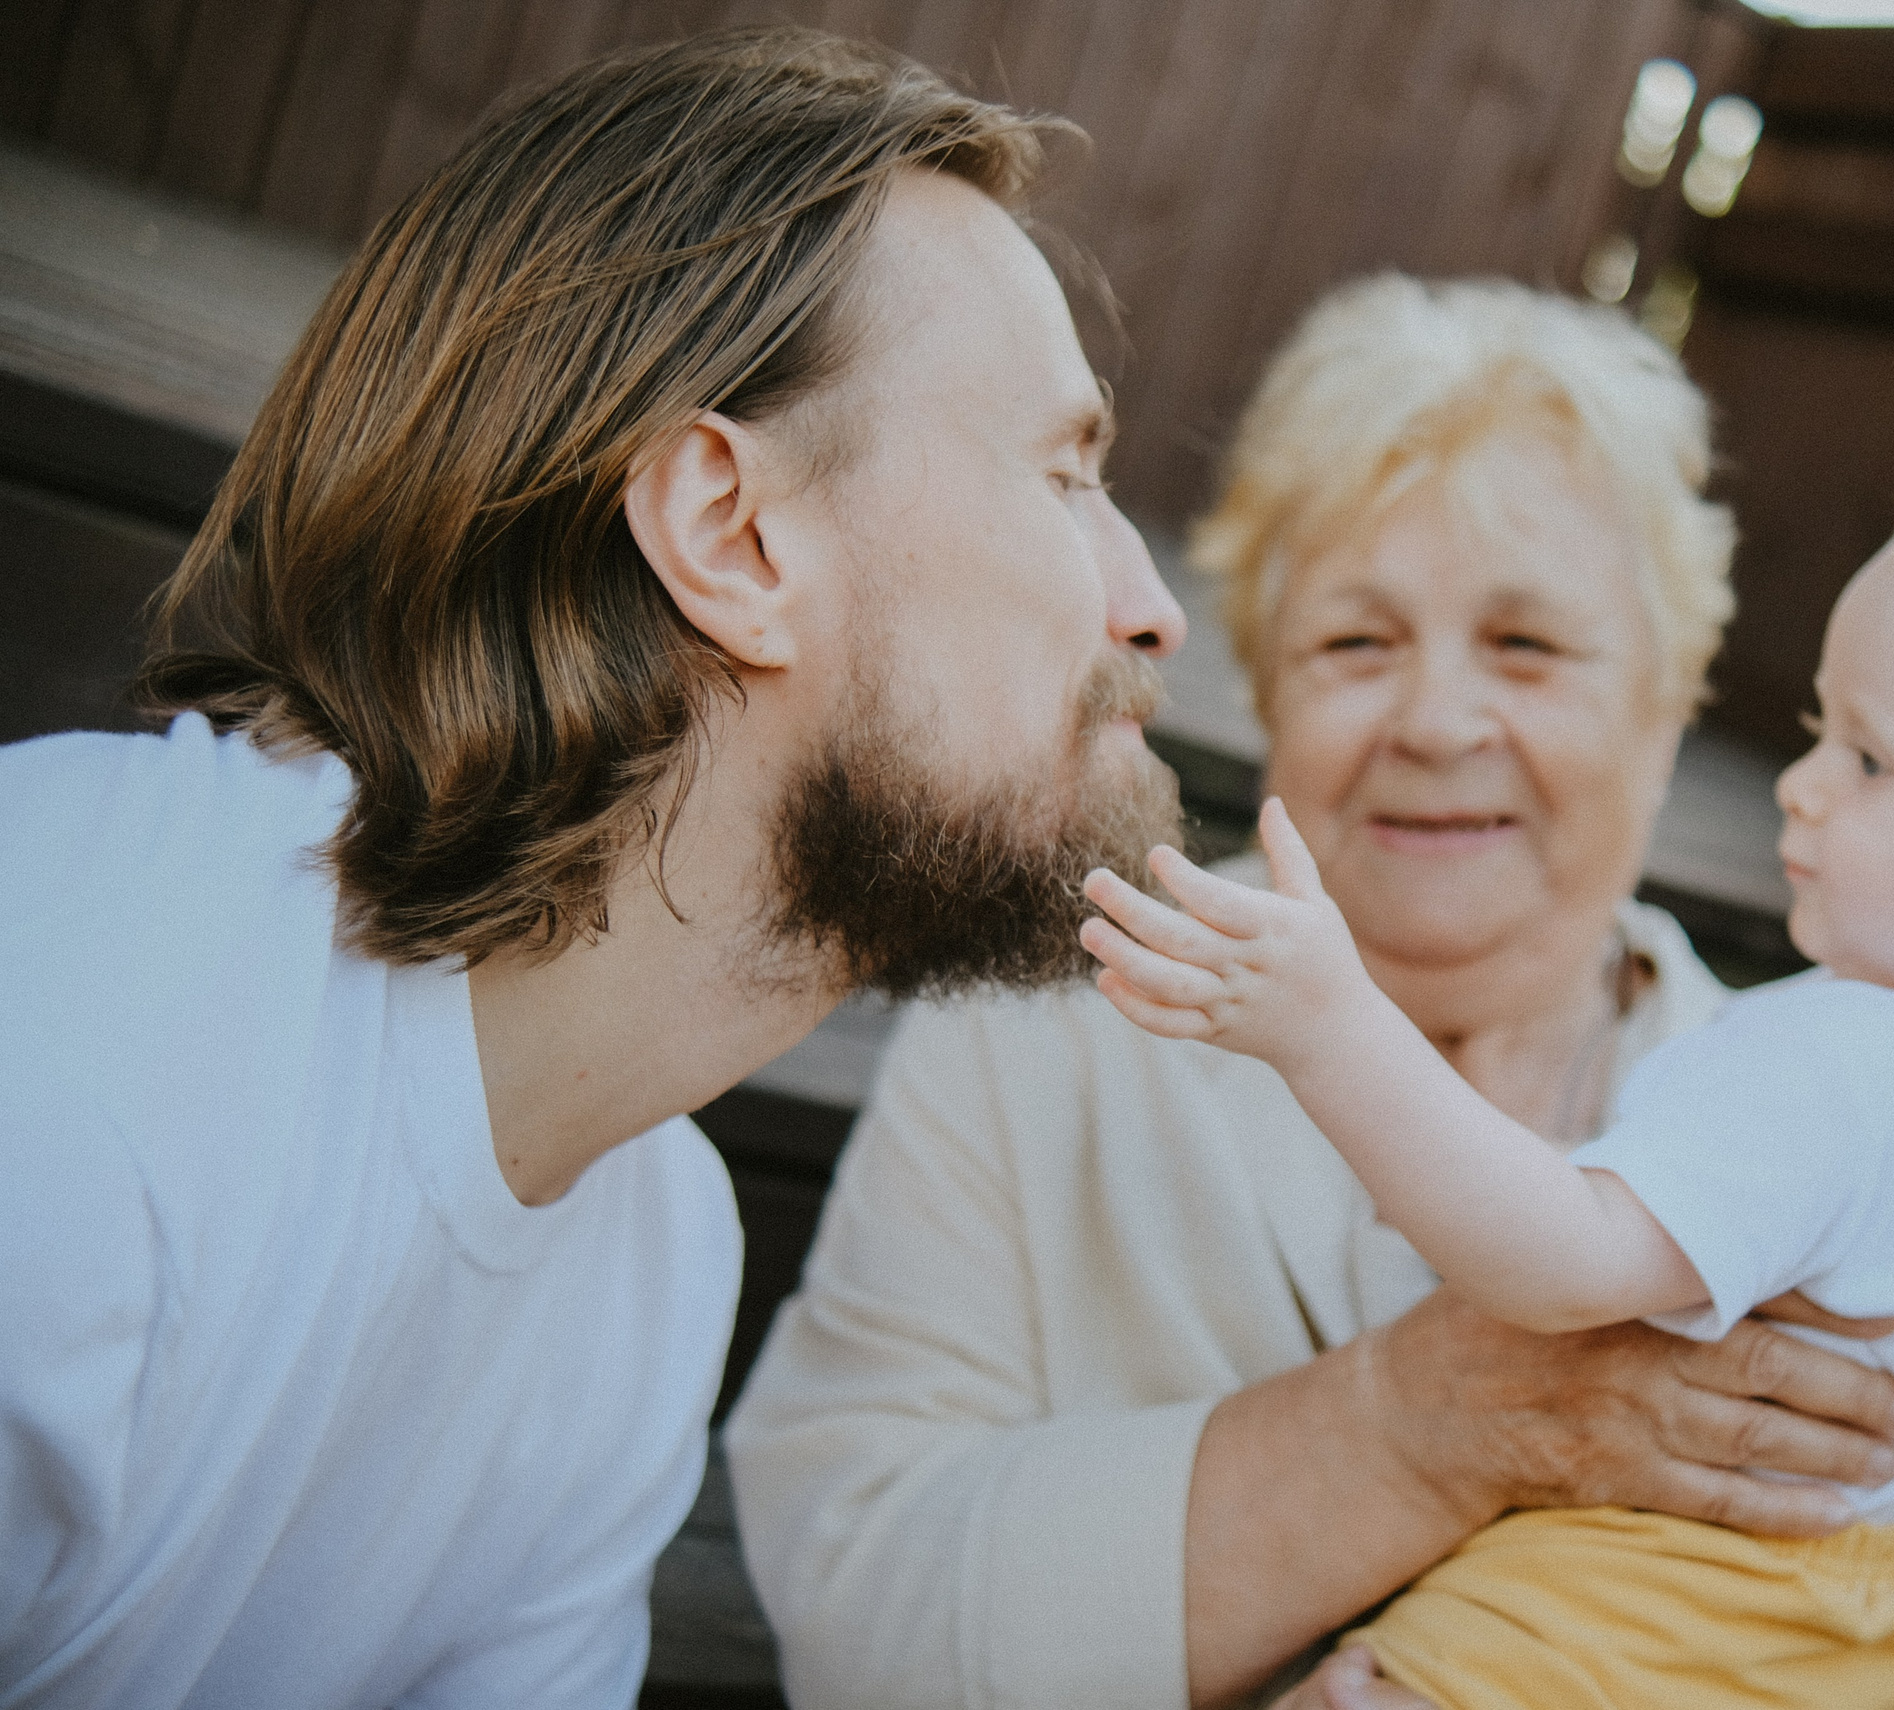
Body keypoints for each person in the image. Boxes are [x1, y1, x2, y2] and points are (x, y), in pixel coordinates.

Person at [0, 30, 1188, 1707]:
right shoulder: (69, 1046)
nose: (1153, 608)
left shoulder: (652, 1253)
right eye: (1064, 475)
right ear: (731, 535)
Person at [725, 275, 1894, 1710]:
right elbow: (854, 1606)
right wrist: (1417, 1426)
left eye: (1527, 646)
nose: (1435, 722)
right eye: (1356, 644)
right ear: (1272, 697)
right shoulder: (1049, 1028)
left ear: (1666, 705)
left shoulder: (1837, 1114)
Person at [1082, 451, 1894, 1710]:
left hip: (1654, 1604)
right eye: (1819, 729)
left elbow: (1559, 1264)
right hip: (1861, 1623)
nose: (1801, 787)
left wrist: (1328, 1029)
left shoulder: (1845, 1065)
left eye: (1871, 760)